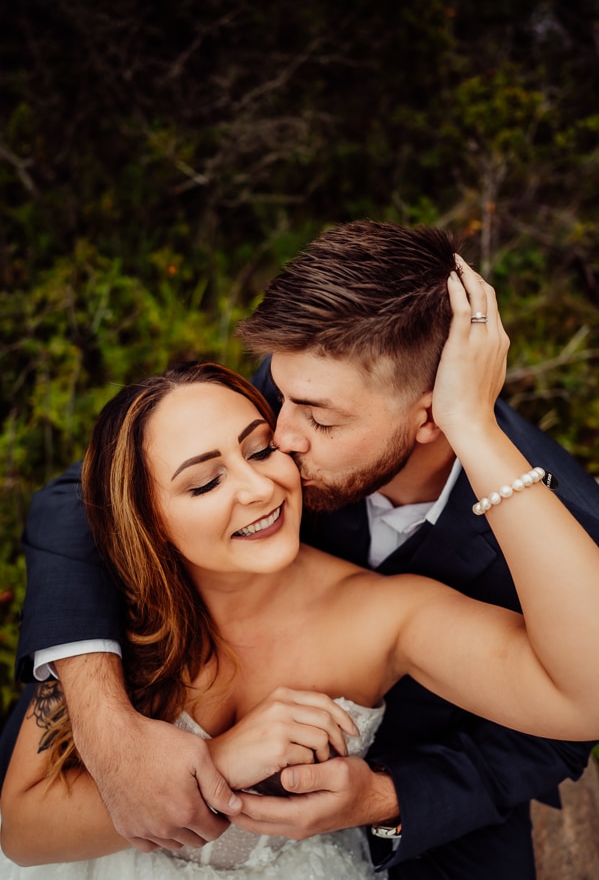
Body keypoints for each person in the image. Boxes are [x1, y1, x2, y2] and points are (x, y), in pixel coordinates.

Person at [2, 224, 599, 879]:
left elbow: (559, 728)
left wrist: (384, 795)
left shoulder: (559, 528)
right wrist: (111, 730)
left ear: (431, 418)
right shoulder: (295, 391)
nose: (279, 442)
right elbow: (83, 494)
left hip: (437, 769)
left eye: (317, 421)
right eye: (274, 413)